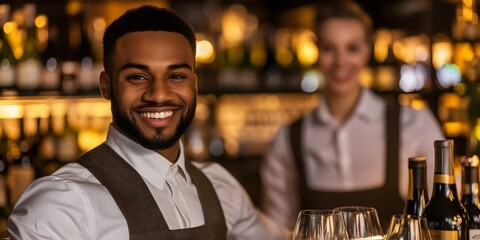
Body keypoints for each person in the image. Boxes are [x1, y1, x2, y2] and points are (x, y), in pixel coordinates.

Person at [7, 5, 288, 240]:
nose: (159, 94)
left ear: (195, 85)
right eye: (137, 77)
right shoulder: (61, 204)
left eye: (176, 76)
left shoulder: (219, 186)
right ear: (106, 86)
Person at [260, 0, 445, 229]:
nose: (340, 61)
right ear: (315, 50)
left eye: (352, 48)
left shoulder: (414, 123)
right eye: (329, 48)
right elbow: (275, 230)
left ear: (368, 50)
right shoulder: (287, 139)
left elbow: (443, 215)